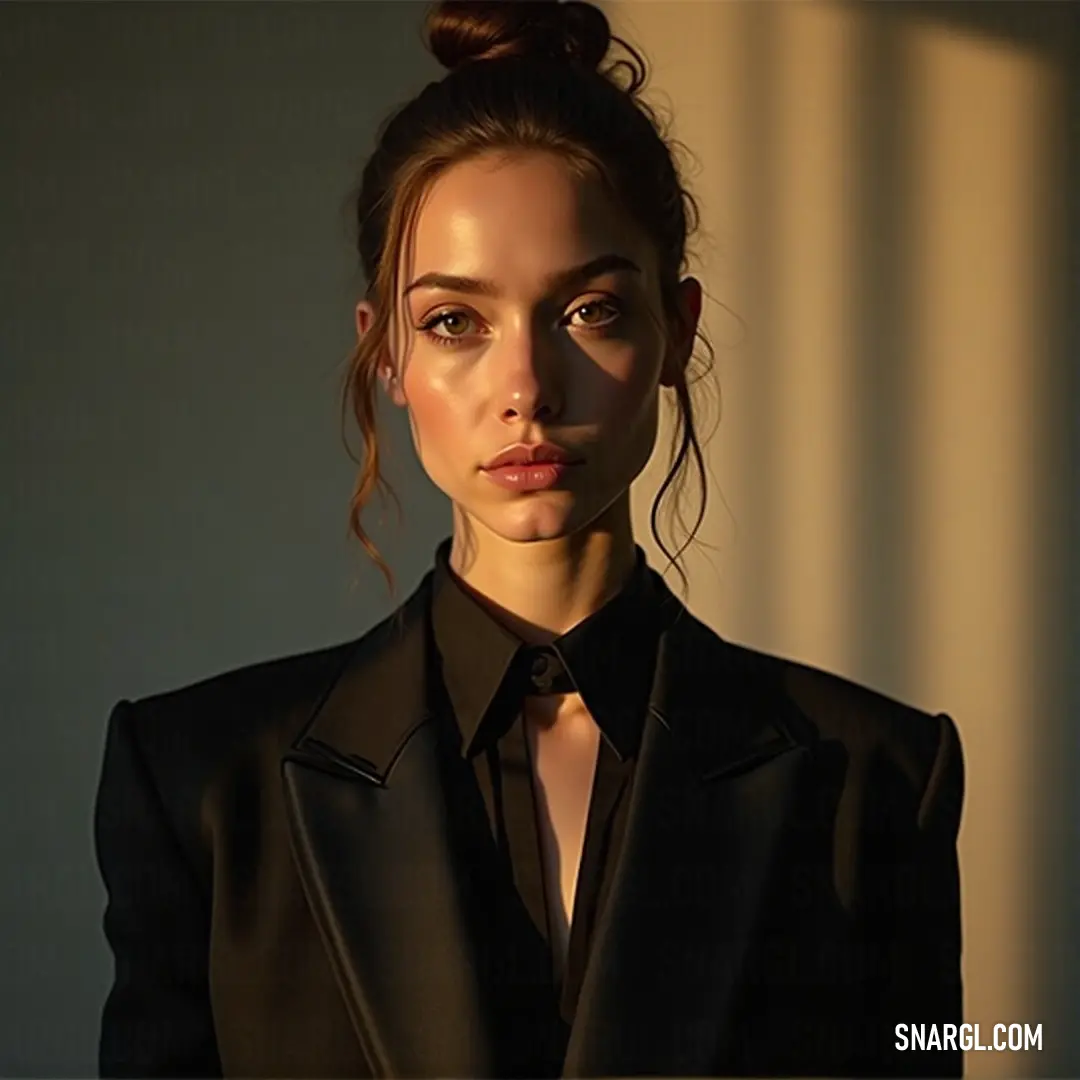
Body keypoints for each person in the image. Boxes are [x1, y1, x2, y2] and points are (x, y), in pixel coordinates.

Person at [92, 1, 965, 1077]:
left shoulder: (875, 781)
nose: (527, 391)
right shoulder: (200, 786)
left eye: (589, 311)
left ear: (674, 333)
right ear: (388, 357)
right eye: (456, 321)